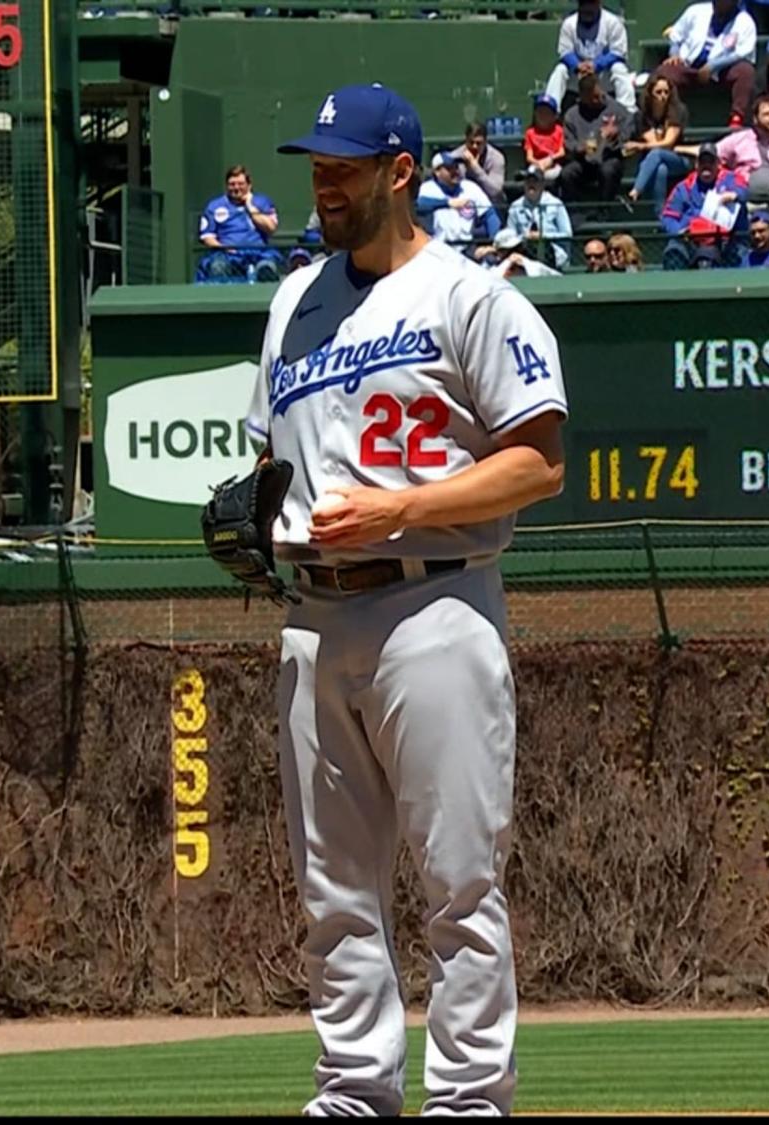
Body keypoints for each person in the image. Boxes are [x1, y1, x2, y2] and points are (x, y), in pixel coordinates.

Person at [256, 82, 567, 1117]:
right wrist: (253, 523)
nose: (323, 184)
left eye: (343, 167)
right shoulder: (292, 302)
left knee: (457, 879)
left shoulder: (469, 298)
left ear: (400, 171)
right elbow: (271, 466)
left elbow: (535, 464)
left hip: (432, 607)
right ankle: (353, 1088)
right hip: (312, 616)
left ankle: (469, 1096)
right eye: (315, 165)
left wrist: (401, 512)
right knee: (331, 890)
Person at [657, 0, 760, 129]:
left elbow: (742, 53)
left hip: (722, 72)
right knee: (664, 72)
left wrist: (713, 66)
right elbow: (676, 37)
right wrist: (674, 54)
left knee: (746, 71)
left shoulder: (745, 22)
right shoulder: (695, 11)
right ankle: (667, 119)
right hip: (689, 66)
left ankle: (737, 119)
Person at [661, 147, 748, 267]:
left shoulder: (730, 179)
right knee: (674, 250)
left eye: (710, 162)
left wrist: (734, 194)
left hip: (726, 239)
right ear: (696, 164)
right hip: (692, 240)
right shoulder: (684, 187)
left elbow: (744, 191)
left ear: (718, 164)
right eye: (702, 162)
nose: (706, 166)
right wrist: (679, 231)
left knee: (740, 251)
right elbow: (668, 217)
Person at [197, 164, 281, 284]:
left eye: (240, 184)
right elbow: (207, 237)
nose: (236, 188)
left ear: (249, 185)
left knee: (267, 269)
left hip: (259, 253)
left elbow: (271, 228)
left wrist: (250, 207)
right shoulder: (215, 206)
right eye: (232, 184)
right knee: (217, 267)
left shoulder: (262, 202)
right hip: (227, 255)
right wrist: (224, 248)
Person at [546, 0, 634, 110]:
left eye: (591, 3)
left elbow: (618, 52)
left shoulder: (613, 22)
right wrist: (578, 65)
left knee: (619, 69)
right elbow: (565, 52)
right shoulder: (569, 23)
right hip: (579, 74)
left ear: (599, 3)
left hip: (602, 75)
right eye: (584, 4)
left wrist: (596, 65)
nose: (587, 8)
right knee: (560, 70)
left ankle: (628, 111)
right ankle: (550, 109)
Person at [559, 74, 633, 202]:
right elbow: (568, 142)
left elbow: (629, 133)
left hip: (608, 157)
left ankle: (604, 212)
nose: (597, 100)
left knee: (608, 170)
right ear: (582, 97)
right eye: (592, 98)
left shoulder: (617, 110)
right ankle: (575, 211)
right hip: (584, 161)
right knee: (567, 173)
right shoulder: (572, 115)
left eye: (599, 95)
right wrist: (579, 148)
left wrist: (616, 134)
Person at [625, 74, 690, 203]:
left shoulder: (678, 111)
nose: (663, 96)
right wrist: (654, 143)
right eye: (658, 92)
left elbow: (667, 144)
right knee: (660, 169)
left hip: (678, 158)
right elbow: (654, 142)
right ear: (650, 94)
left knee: (657, 153)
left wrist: (640, 146)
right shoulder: (642, 116)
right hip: (654, 160)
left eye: (666, 92)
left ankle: (636, 190)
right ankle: (660, 213)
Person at [507, 169, 575, 269]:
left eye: (535, 181)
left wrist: (543, 236)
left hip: (554, 257)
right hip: (525, 257)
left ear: (543, 184)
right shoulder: (515, 206)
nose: (531, 184)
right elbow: (510, 235)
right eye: (528, 181)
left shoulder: (556, 204)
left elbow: (567, 234)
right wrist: (525, 237)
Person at [446, 122, 509, 209]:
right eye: (471, 142)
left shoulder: (496, 157)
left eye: (478, 143)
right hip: (464, 204)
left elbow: (495, 191)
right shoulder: (455, 156)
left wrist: (476, 168)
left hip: (491, 204)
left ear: (485, 142)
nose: (474, 146)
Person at [521, 95, 569, 185]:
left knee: (554, 175)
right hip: (536, 165)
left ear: (554, 116)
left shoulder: (559, 130)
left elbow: (562, 152)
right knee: (532, 174)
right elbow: (529, 157)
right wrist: (539, 163)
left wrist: (550, 159)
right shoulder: (530, 132)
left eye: (547, 113)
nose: (543, 115)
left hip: (554, 165)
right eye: (540, 112)